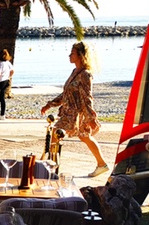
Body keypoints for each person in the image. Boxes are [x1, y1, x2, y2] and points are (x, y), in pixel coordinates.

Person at [40, 41, 109, 177]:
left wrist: (91, 118)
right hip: (69, 111)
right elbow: (66, 93)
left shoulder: (85, 74)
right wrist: (50, 104)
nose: (69, 56)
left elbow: (87, 97)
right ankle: (102, 164)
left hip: (75, 114)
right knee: (85, 137)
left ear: (80, 55)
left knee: (56, 133)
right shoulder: (75, 72)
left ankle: (51, 169)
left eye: (72, 53)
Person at [0, 49, 14, 120]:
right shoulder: (8, 63)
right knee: (2, 98)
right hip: (5, 81)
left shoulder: (0, 64)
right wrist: (9, 77)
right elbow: (12, 71)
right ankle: (2, 114)